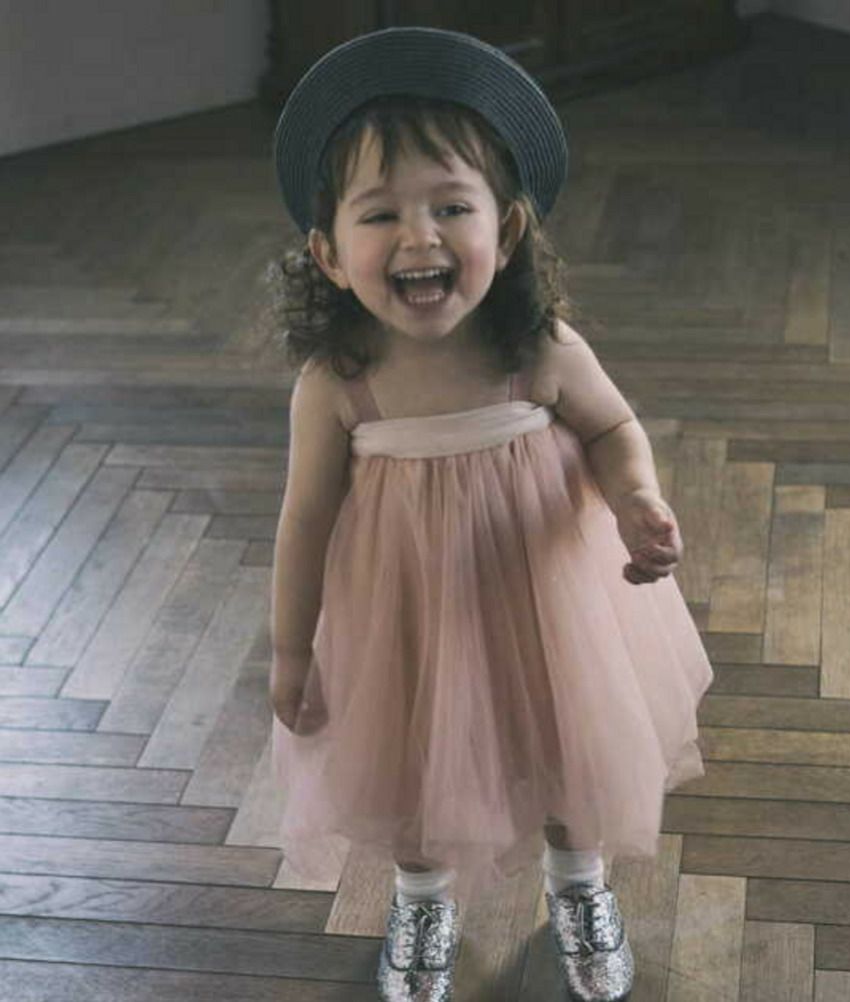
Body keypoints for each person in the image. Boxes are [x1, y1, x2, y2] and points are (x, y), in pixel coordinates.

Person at [268, 26, 712, 1002]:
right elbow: (303, 523)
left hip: (545, 602)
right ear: (329, 254)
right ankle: (424, 898)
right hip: (406, 616)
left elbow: (612, 426)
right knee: (414, 767)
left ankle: (579, 883)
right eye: (380, 214)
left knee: (567, 745)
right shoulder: (337, 383)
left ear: (505, 233)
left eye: (451, 207)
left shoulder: (537, 348)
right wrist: (293, 649)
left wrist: (635, 495)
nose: (420, 237)